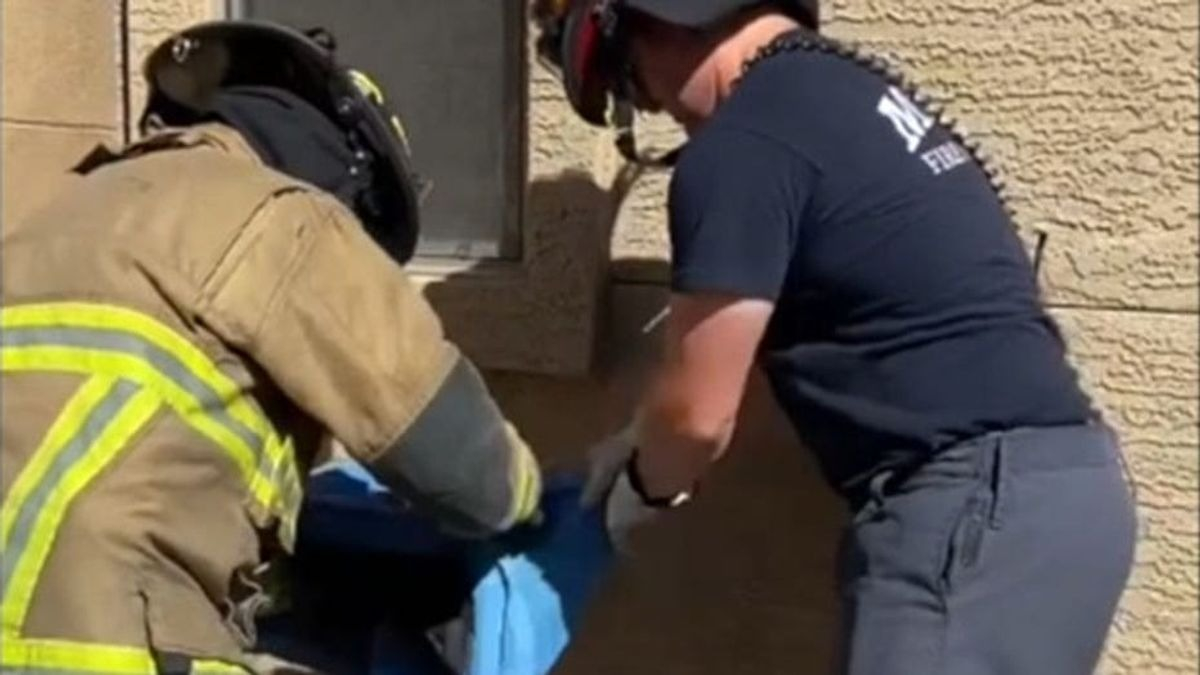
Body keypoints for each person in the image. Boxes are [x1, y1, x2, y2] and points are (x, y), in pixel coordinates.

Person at [535, 1, 1138, 673]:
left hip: (968, 511)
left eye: (627, 79)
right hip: (1064, 498)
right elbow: (750, 363)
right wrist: (643, 433)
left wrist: (640, 488)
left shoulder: (743, 142)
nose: (648, 104)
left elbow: (700, 417)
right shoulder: (851, 99)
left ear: (654, 20)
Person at [0, 20, 542, 673]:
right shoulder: (287, 218)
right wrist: (538, 503)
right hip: (105, 641)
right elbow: (468, 472)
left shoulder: (65, 211)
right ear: (347, 178)